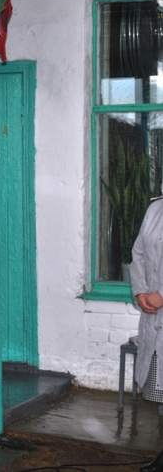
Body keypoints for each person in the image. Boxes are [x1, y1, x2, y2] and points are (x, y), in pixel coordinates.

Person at [131, 193, 163, 472]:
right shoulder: (155, 209)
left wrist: (162, 295)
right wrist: (140, 291)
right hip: (155, 319)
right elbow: (138, 253)